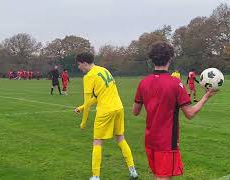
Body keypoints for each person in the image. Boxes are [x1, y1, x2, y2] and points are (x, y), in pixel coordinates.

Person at [132, 41, 217, 180]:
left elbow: (135, 111)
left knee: (157, 176)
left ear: (151, 59)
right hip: (166, 142)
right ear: (170, 58)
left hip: (150, 140)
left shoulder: (143, 82)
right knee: (163, 177)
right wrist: (206, 97)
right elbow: (190, 114)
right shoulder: (175, 84)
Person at [74, 52, 138, 180]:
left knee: (97, 141)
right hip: (118, 108)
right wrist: (81, 108)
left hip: (105, 111)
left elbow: (88, 102)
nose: (79, 67)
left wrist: (83, 122)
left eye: (79, 65)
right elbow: (98, 96)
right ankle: (133, 171)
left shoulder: (88, 77)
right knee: (121, 139)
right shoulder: (103, 70)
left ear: (85, 63)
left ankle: (96, 176)